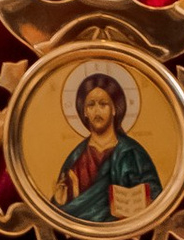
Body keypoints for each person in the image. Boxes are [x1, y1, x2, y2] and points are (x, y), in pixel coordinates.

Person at [53, 68, 162, 226]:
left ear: (114, 109)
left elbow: (157, 195)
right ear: (84, 111)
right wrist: (58, 200)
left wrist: (141, 204)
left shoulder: (132, 152)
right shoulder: (76, 158)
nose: (97, 111)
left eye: (103, 104)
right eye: (91, 105)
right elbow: (61, 209)